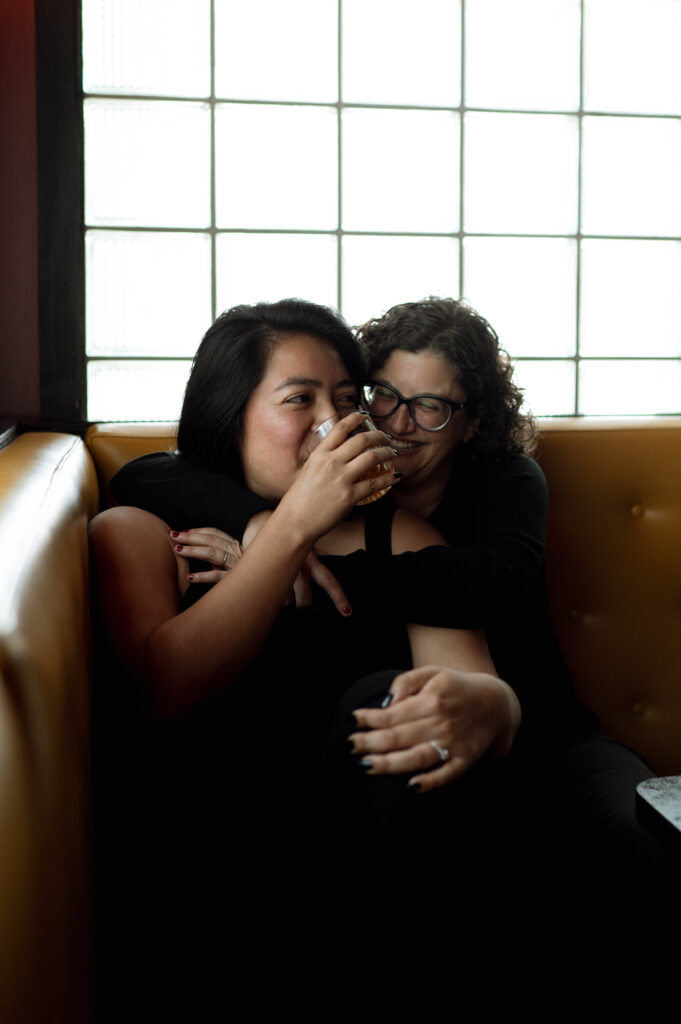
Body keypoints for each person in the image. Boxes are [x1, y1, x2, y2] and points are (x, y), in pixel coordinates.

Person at [110, 296, 677, 1019]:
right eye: (305, 399)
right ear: (231, 410)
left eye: (347, 399)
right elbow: (165, 690)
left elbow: (476, 662)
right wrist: (280, 530)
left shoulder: (453, 507)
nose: (343, 421)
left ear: (471, 421)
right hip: (234, 836)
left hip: (530, 752)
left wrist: (488, 703)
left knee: (406, 705)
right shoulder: (147, 522)